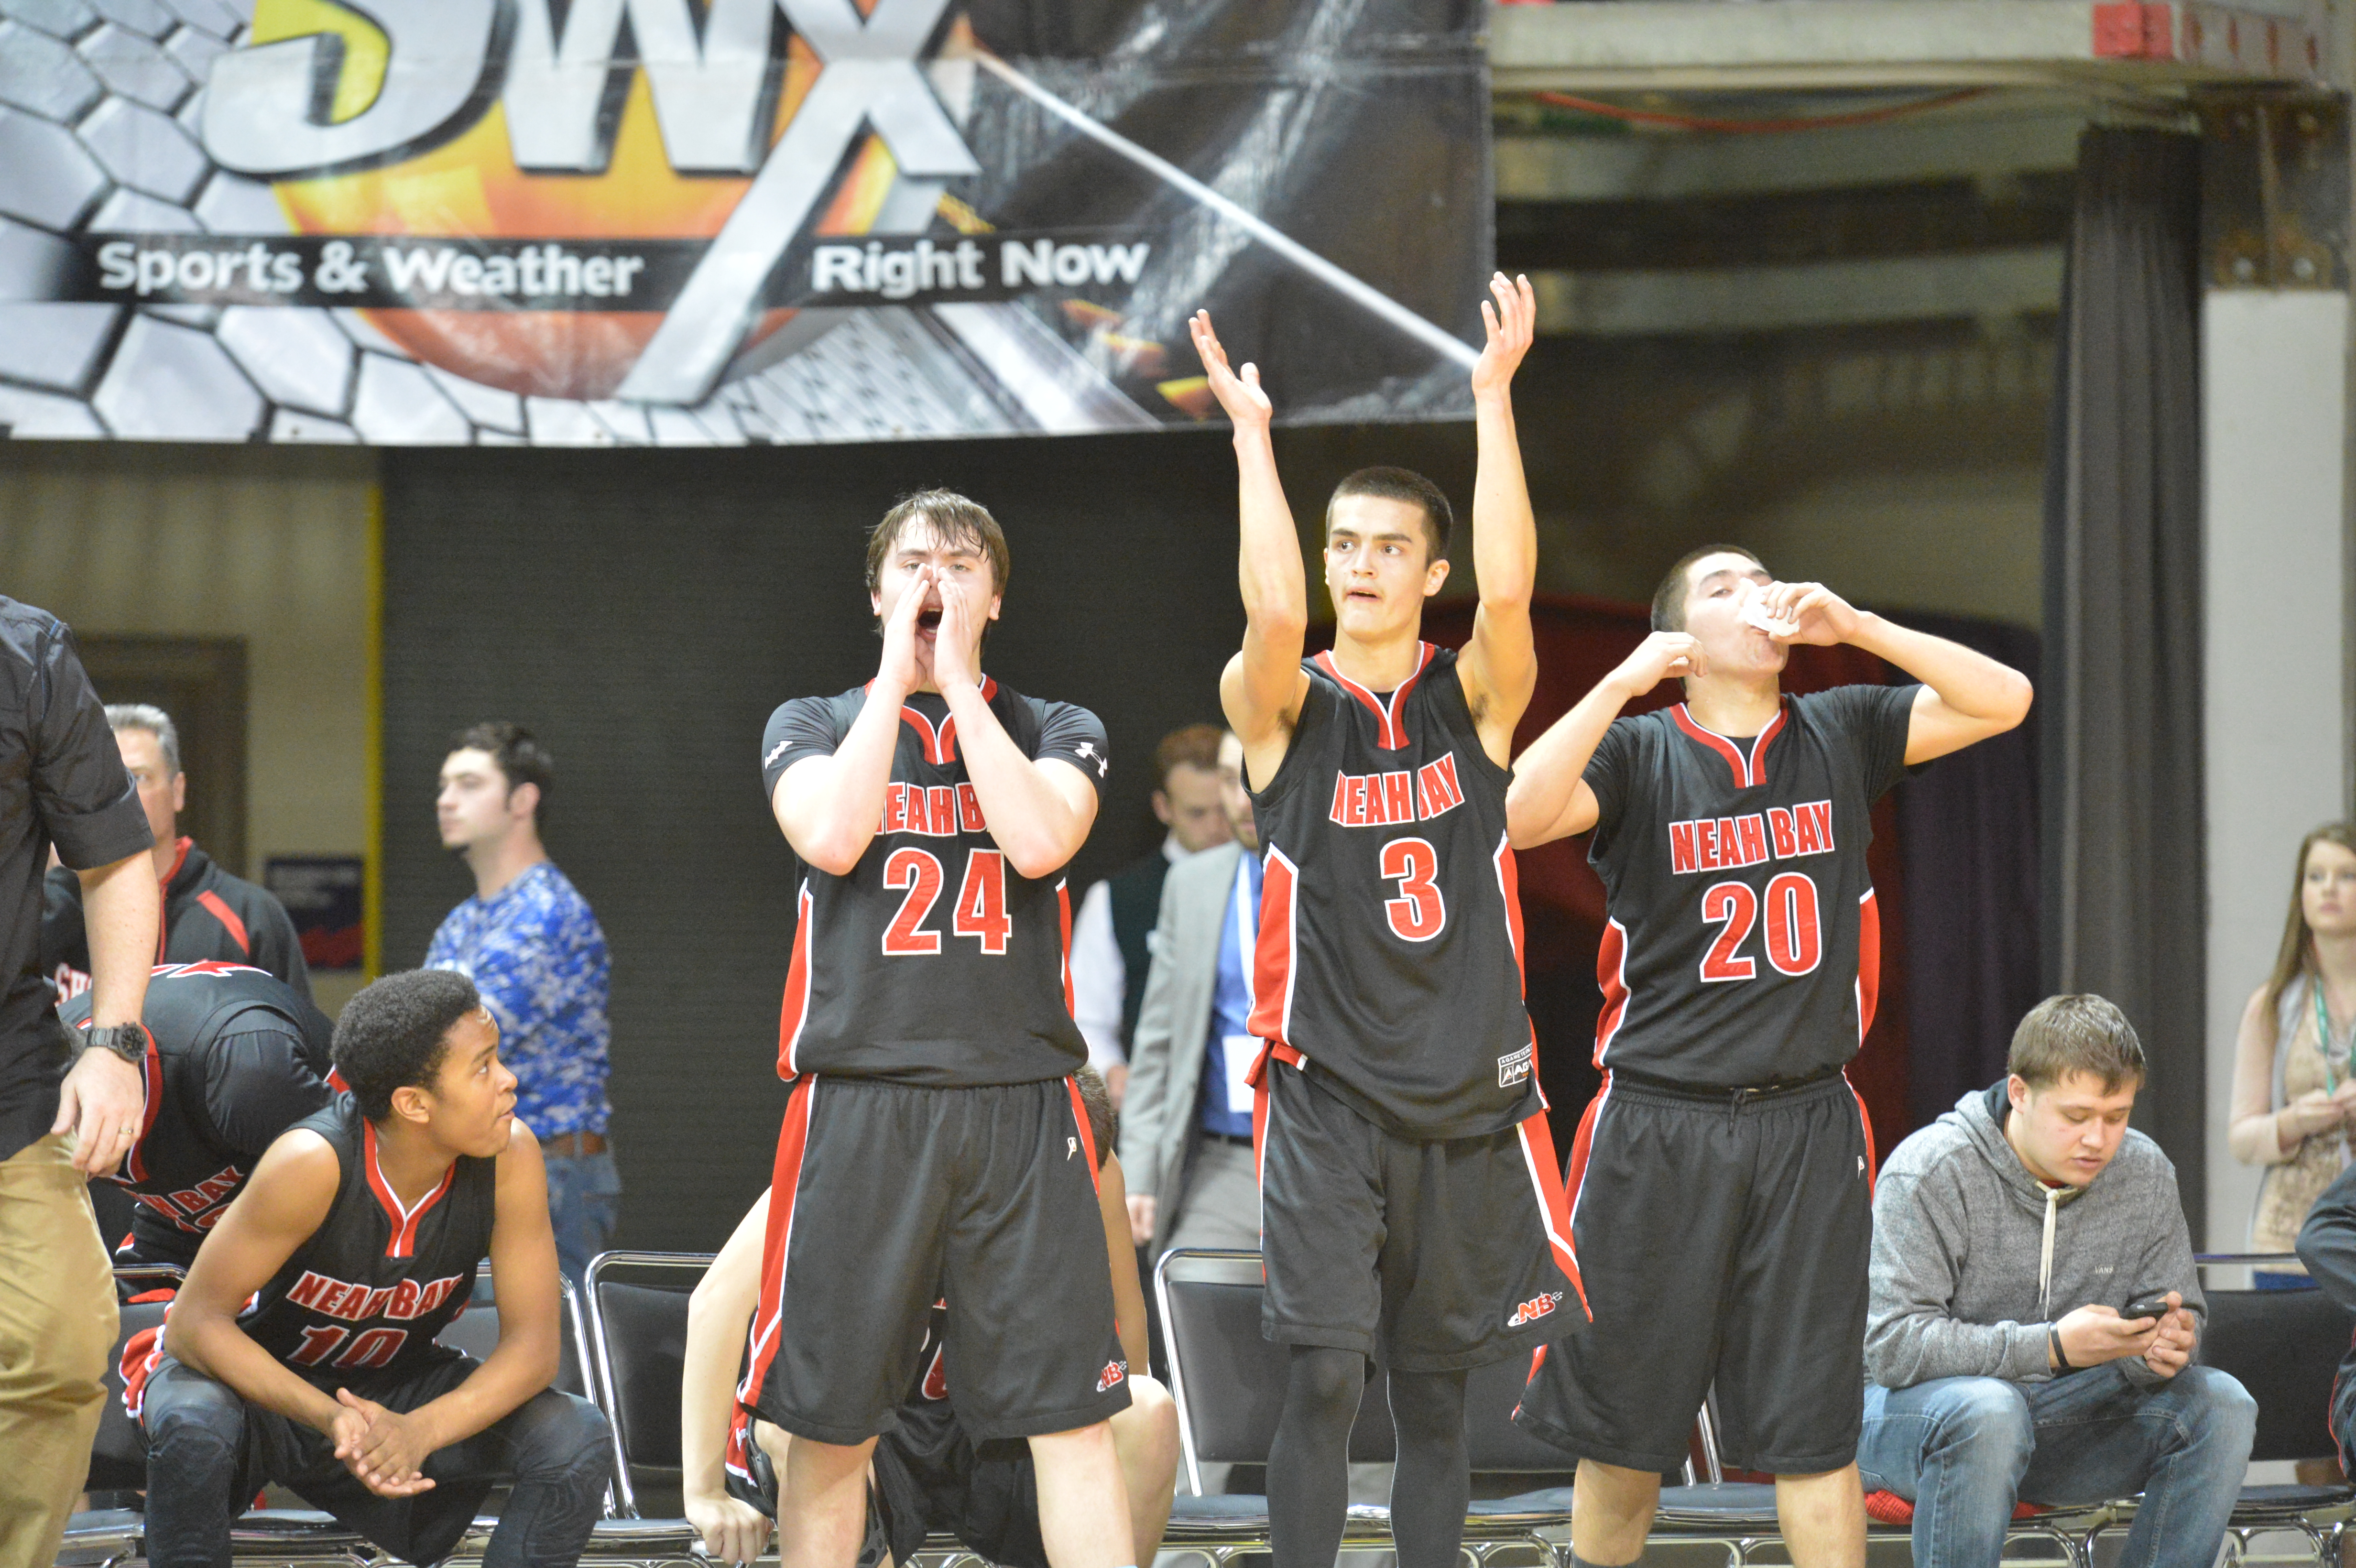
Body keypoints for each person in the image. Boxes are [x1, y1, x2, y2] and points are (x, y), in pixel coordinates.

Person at [1505, 545, 2033, 1568]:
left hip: (1806, 1120)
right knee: (1625, 1435)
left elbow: (2004, 697)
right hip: (1660, 1118)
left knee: (1813, 1431)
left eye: (1761, 579)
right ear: (1677, 640)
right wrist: (1619, 679)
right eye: (1721, 588)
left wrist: (1862, 628)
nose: (1755, 595)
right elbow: (1519, 813)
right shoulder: (1636, 748)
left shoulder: (1839, 727)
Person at [1189, 274, 1582, 1568]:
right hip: (1325, 1091)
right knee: (1318, 1380)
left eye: (1388, 547)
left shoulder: (1470, 699)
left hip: (1463, 1095)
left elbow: (1517, 599)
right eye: (1344, 543)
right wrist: (1252, 442)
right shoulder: (1283, 710)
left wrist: (1495, 398)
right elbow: (1268, 611)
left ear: (1431, 569)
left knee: (1435, 1399)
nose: (1361, 565)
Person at [757, 489, 1134, 1568]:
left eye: (961, 565)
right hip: (862, 1097)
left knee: (1069, 1415)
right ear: (876, 592)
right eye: (914, 563)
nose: (934, 581)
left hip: (1021, 1100)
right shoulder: (811, 719)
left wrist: (958, 679)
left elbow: (1037, 844)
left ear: (997, 597)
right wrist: (898, 674)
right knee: (830, 1422)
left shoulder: (1059, 725)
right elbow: (833, 838)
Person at [135, 968, 612, 1568]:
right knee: (193, 1423)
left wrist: (421, 1430)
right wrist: (332, 1418)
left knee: (575, 1433)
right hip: (263, 1391)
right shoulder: (313, 1161)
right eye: (484, 1067)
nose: (510, 1081)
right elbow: (195, 1326)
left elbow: (534, 1350)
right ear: (414, 1103)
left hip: (394, 1387)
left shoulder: (512, 1156)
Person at [681, 1068, 1179, 1568]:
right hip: (866, 1420)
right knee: (804, 1433)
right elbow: (713, 1305)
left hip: (982, 1425)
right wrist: (703, 1492)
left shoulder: (1089, 1165)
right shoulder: (861, 1157)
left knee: (1146, 1410)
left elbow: (1122, 1326)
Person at [1859, 995, 2254, 1568]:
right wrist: (2050, 1346)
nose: (2097, 1139)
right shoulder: (1930, 1170)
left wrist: (2164, 1345)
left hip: (2054, 1422)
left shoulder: (2144, 1173)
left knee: (2222, 1404)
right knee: (1988, 1410)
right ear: (2019, 1093)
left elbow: (2179, 1310)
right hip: (1906, 1423)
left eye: (2116, 1116)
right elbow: (1893, 1348)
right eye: (2075, 1117)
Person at [0, 596, 160, 1568]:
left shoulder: (27, 653)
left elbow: (112, 860)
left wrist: (112, 1042)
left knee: (62, 1343)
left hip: (11, 1065)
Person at [427, 721, 615, 1291]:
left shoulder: (546, 913)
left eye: (468, 784)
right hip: (477, 1166)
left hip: (551, 1175)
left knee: (548, 1369)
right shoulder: (464, 919)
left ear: (522, 800)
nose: (445, 800)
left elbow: (439, 1045)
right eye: (443, 786)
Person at [59, 959, 335, 1286]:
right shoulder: (36, 1063)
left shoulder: (246, 1075)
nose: (74, 1167)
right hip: (181, 1213)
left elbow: (361, 1194)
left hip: (321, 1184)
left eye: (70, 1142)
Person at [44, 703, 312, 1002]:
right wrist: (63, 884)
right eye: (103, 779)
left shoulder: (250, 916)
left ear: (178, 791)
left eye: (139, 777)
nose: (119, 793)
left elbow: (296, 1038)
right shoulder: (51, 907)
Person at [1120, 730, 1261, 1269]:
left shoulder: (1341, 877)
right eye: (1230, 780)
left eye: (1255, 777)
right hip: (1222, 1158)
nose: (1242, 797)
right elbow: (1157, 1038)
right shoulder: (1193, 882)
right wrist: (1139, 1168)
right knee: (1196, 1306)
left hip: (1328, 1161)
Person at [1071, 724, 1233, 1102]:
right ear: (1163, 808)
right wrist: (1112, 1071)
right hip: (1159, 1103)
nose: (1215, 827)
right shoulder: (1116, 899)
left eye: (1225, 809)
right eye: (1197, 813)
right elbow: (1088, 1022)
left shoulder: (1271, 883)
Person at [2228, 822, 2356, 1289]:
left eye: (2346, 875)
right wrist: (2294, 1121)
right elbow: (2240, 1137)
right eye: (2314, 875)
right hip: (2284, 1245)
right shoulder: (2272, 1004)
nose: (2328, 888)